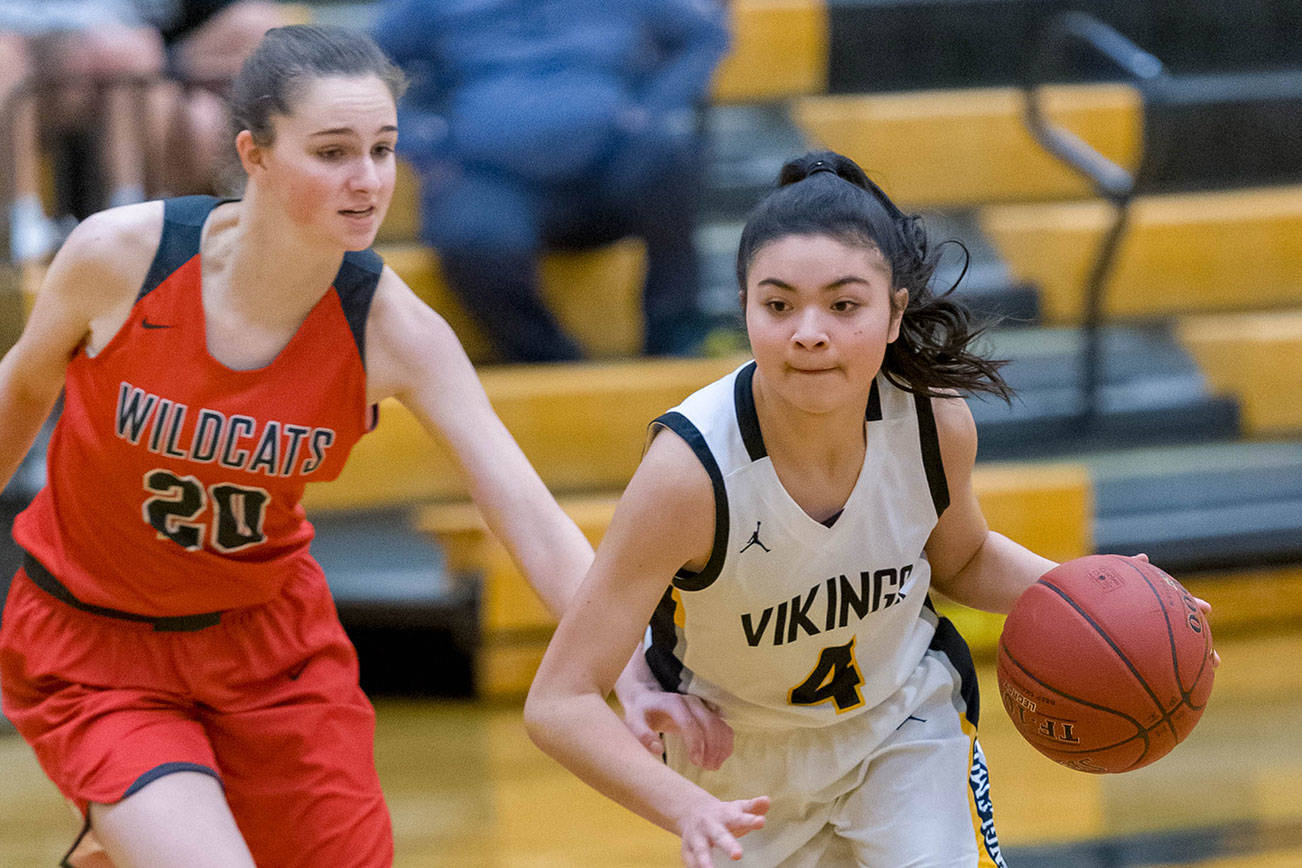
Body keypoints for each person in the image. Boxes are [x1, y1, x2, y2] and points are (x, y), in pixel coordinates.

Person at [0, 24, 599, 867]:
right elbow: (25, 386)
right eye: (332, 152)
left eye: (383, 150)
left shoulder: (396, 331)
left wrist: (637, 662)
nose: (368, 181)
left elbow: (525, 511)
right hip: (96, 644)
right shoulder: (120, 257)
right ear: (255, 155)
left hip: (271, 651)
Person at [524, 150, 1216, 867]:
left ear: (894, 315)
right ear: (744, 311)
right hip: (735, 762)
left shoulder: (931, 423)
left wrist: (1114, 607)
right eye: (778, 304)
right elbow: (560, 702)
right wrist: (688, 808)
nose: (809, 331)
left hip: (901, 723)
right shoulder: (689, 474)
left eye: (844, 304)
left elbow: (965, 558)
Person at [372, 0, 730, 362]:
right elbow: (367, 63)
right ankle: (549, 361)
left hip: (607, 169)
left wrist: (652, 109)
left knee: (667, 152)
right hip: (492, 178)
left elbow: (703, 35)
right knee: (468, 234)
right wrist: (423, 140)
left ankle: (675, 337)